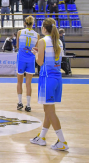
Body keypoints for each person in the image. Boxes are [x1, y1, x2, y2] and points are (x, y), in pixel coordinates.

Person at [30, 18, 68, 151]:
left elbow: (40, 63)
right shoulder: (58, 41)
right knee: (48, 110)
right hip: (57, 79)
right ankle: (42, 137)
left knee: (50, 112)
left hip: (47, 79)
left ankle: (62, 141)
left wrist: (36, 53)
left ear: (44, 29)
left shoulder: (43, 41)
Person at [16, 16, 39, 112]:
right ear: (33, 24)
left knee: (19, 82)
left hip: (21, 58)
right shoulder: (37, 35)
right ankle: (28, 105)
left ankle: (20, 102)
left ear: (25, 23)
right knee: (28, 83)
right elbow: (36, 49)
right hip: (30, 60)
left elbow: (17, 46)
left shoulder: (20, 32)